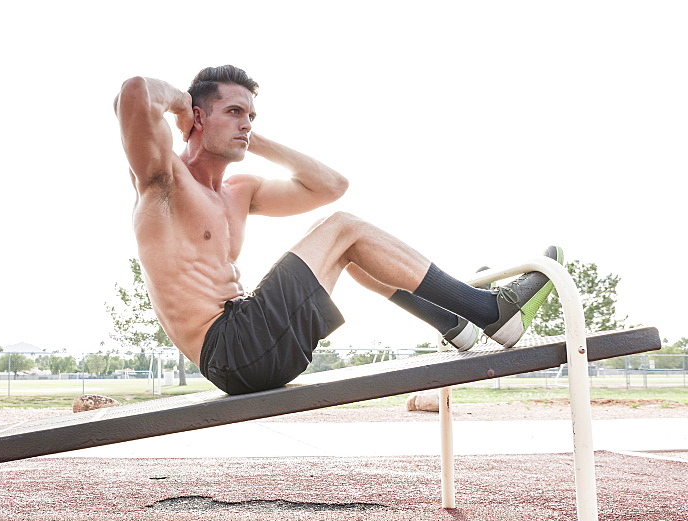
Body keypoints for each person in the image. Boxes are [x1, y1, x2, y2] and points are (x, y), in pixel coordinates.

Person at [114, 65, 560, 395]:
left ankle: (453, 322)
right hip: (230, 347)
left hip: (250, 339)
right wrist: (179, 108)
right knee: (344, 231)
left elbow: (331, 186)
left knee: (347, 247)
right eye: (233, 112)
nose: (246, 123)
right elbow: (133, 92)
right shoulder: (165, 181)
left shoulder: (239, 190)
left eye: (251, 115)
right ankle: (489, 311)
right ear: (198, 117)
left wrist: (251, 138)